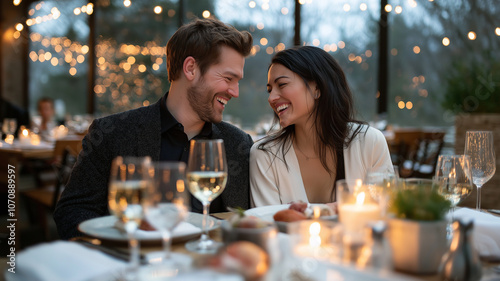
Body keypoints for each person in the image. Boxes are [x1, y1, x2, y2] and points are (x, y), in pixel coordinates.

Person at [54, 18, 254, 240]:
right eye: (228, 78)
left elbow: (247, 220)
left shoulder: (239, 144)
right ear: (191, 69)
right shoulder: (112, 133)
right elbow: (71, 212)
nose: (234, 92)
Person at [250, 46, 393, 207]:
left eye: (282, 84)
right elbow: (266, 225)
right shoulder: (265, 156)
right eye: (269, 90)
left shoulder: (370, 143)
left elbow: (386, 213)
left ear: (317, 88)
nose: (271, 98)